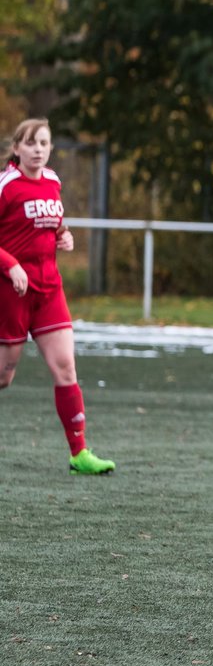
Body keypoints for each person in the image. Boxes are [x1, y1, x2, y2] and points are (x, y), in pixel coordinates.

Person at [0, 117, 115, 475]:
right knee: (4, 376)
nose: (38, 149)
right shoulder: (5, 185)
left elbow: (51, 225)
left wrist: (64, 237)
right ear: (17, 148)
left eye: (44, 143)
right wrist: (11, 265)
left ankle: (79, 453)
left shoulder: (52, 181)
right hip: (11, 291)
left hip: (49, 291)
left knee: (66, 368)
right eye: (31, 143)